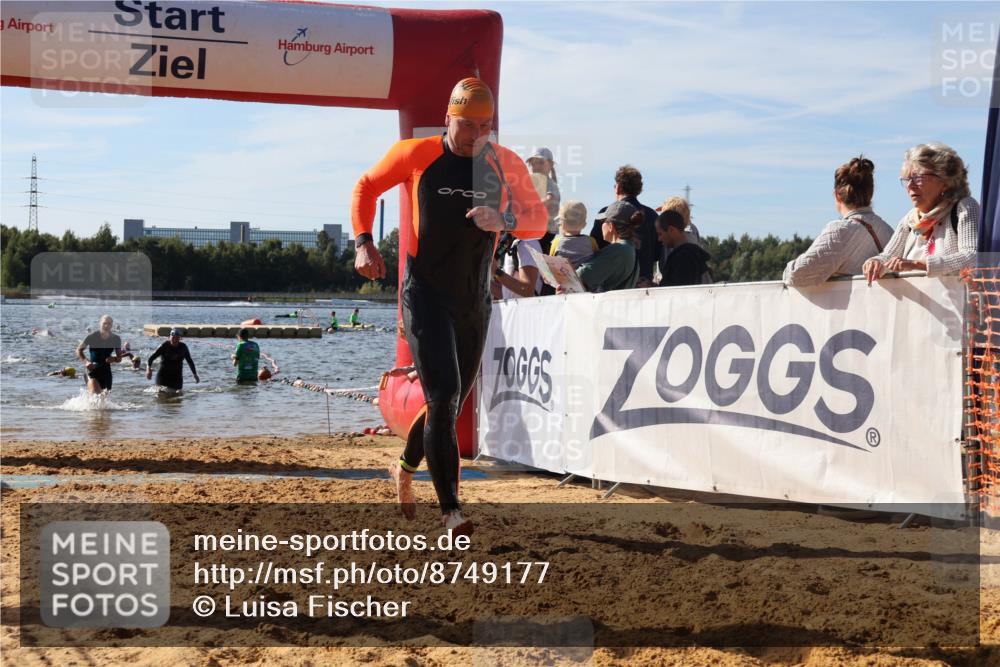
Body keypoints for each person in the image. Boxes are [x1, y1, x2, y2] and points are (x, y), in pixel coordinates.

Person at [351, 76, 547, 533]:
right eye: (467, 125)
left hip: (473, 299)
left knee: (451, 402)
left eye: (485, 126)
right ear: (447, 117)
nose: (476, 135)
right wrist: (364, 242)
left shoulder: (502, 164)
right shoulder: (417, 155)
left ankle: (403, 467)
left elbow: (538, 220)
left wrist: (505, 218)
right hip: (424, 293)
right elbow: (365, 186)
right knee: (441, 396)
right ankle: (452, 513)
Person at [863, 142, 980, 284]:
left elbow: (973, 256)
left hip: (955, 304)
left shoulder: (964, 207)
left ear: (945, 181)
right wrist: (875, 262)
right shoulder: (910, 220)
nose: (910, 185)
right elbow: (888, 256)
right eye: (907, 179)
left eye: (918, 178)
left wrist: (918, 265)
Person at [783, 157, 893, 287]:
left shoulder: (840, 232)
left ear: (837, 195)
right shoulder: (889, 231)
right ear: (871, 193)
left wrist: (789, 267)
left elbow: (796, 275)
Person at [588, 165, 660, 286]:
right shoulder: (652, 216)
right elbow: (658, 253)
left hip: (613, 286)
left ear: (618, 188)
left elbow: (594, 247)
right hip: (644, 286)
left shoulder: (606, 214)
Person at [575, 200, 642, 292]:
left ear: (610, 226)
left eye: (603, 221)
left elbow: (580, 277)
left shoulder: (618, 250)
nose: (601, 224)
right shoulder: (629, 248)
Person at [656, 210, 713, 286]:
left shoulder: (681, 259)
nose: (659, 239)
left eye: (660, 234)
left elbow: (678, 292)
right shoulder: (695, 254)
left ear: (671, 230)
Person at [76, 314, 126, 394]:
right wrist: (86, 362)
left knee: (103, 401)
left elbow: (119, 358)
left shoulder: (116, 339)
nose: (107, 325)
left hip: (106, 372)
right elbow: (79, 350)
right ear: (100, 323)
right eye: (104, 323)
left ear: (112, 325)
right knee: (95, 394)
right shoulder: (92, 336)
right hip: (92, 369)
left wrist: (113, 359)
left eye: (109, 323)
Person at [526, 147, 561, 253]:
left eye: (541, 163)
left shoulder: (550, 183)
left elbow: (550, 199)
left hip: (546, 229)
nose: (536, 166)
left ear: (550, 166)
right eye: (533, 163)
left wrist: (529, 207)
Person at [549, 200, 597, 267]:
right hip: (585, 276)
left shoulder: (557, 242)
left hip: (563, 276)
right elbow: (597, 260)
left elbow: (550, 263)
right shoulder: (591, 241)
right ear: (584, 224)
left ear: (562, 223)